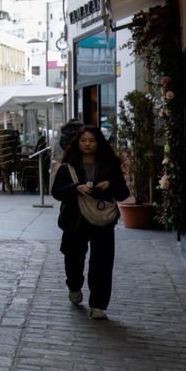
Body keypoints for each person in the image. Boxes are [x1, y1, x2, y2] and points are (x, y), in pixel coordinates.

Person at [52, 124, 127, 320]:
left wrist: (110, 184)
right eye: (83, 140)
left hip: (102, 221)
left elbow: (123, 192)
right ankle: (74, 286)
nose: (87, 144)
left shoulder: (110, 164)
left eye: (92, 141)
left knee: (102, 262)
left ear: (99, 142)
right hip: (75, 221)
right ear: (77, 142)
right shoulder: (68, 165)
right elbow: (57, 192)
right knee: (73, 259)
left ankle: (98, 305)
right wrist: (75, 188)